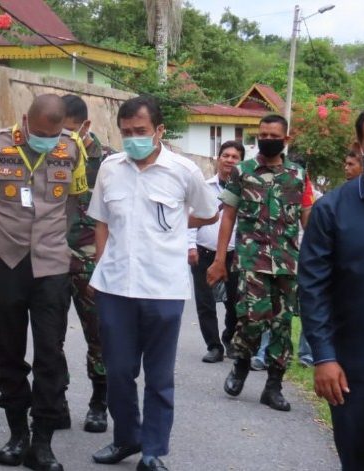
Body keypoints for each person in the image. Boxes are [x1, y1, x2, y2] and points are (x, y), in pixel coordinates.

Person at [87, 96, 218, 471]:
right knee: (118, 371)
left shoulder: (183, 170)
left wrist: (176, 225)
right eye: (126, 132)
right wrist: (100, 267)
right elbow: (101, 221)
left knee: (159, 376)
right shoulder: (111, 168)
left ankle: (153, 451)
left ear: (159, 130)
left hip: (163, 288)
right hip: (115, 288)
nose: (133, 139)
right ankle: (126, 439)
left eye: (141, 131)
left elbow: (208, 214)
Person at [0, 94, 87, 471]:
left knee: (50, 354)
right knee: (7, 348)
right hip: (6, 259)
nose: (47, 140)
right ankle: (16, 433)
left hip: (52, 264)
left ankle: (42, 442)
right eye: (39, 133)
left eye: (53, 134)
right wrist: (2, 235)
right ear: (25, 121)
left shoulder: (71, 150)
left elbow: (72, 204)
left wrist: (53, 239)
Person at [207, 114, 313, 413]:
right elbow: (228, 215)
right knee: (252, 318)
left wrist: (318, 256)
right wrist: (219, 259)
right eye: (263, 134)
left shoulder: (298, 175)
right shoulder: (243, 171)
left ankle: (273, 386)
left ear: (286, 140)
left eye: (273, 135)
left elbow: (308, 217)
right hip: (251, 260)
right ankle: (241, 362)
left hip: (287, 263)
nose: (267, 139)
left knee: (281, 324)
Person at [298, 109, 364, 471]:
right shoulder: (332, 211)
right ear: (361, 146)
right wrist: (324, 357)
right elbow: (313, 288)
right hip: (354, 370)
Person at [61, 94, 109, 433]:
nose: (61, 139)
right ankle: (55, 400)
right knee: (50, 337)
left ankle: (99, 402)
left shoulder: (110, 163)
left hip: (93, 263)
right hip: (51, 260)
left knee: (100, 336)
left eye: (69, 131)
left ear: (85, 127)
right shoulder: (46, 156)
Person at [188, 141, 242, 363]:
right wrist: (190, 246)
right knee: (205, 302)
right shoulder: (205, 186)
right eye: (225, 155)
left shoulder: (246, 189)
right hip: (204, 252)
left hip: (235, 254)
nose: (229, 160)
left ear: (240, 162)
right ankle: (214, 346)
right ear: (218, 159)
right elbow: (191, 215)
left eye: (235, 157)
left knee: (236, 303)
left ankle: (229, 337)